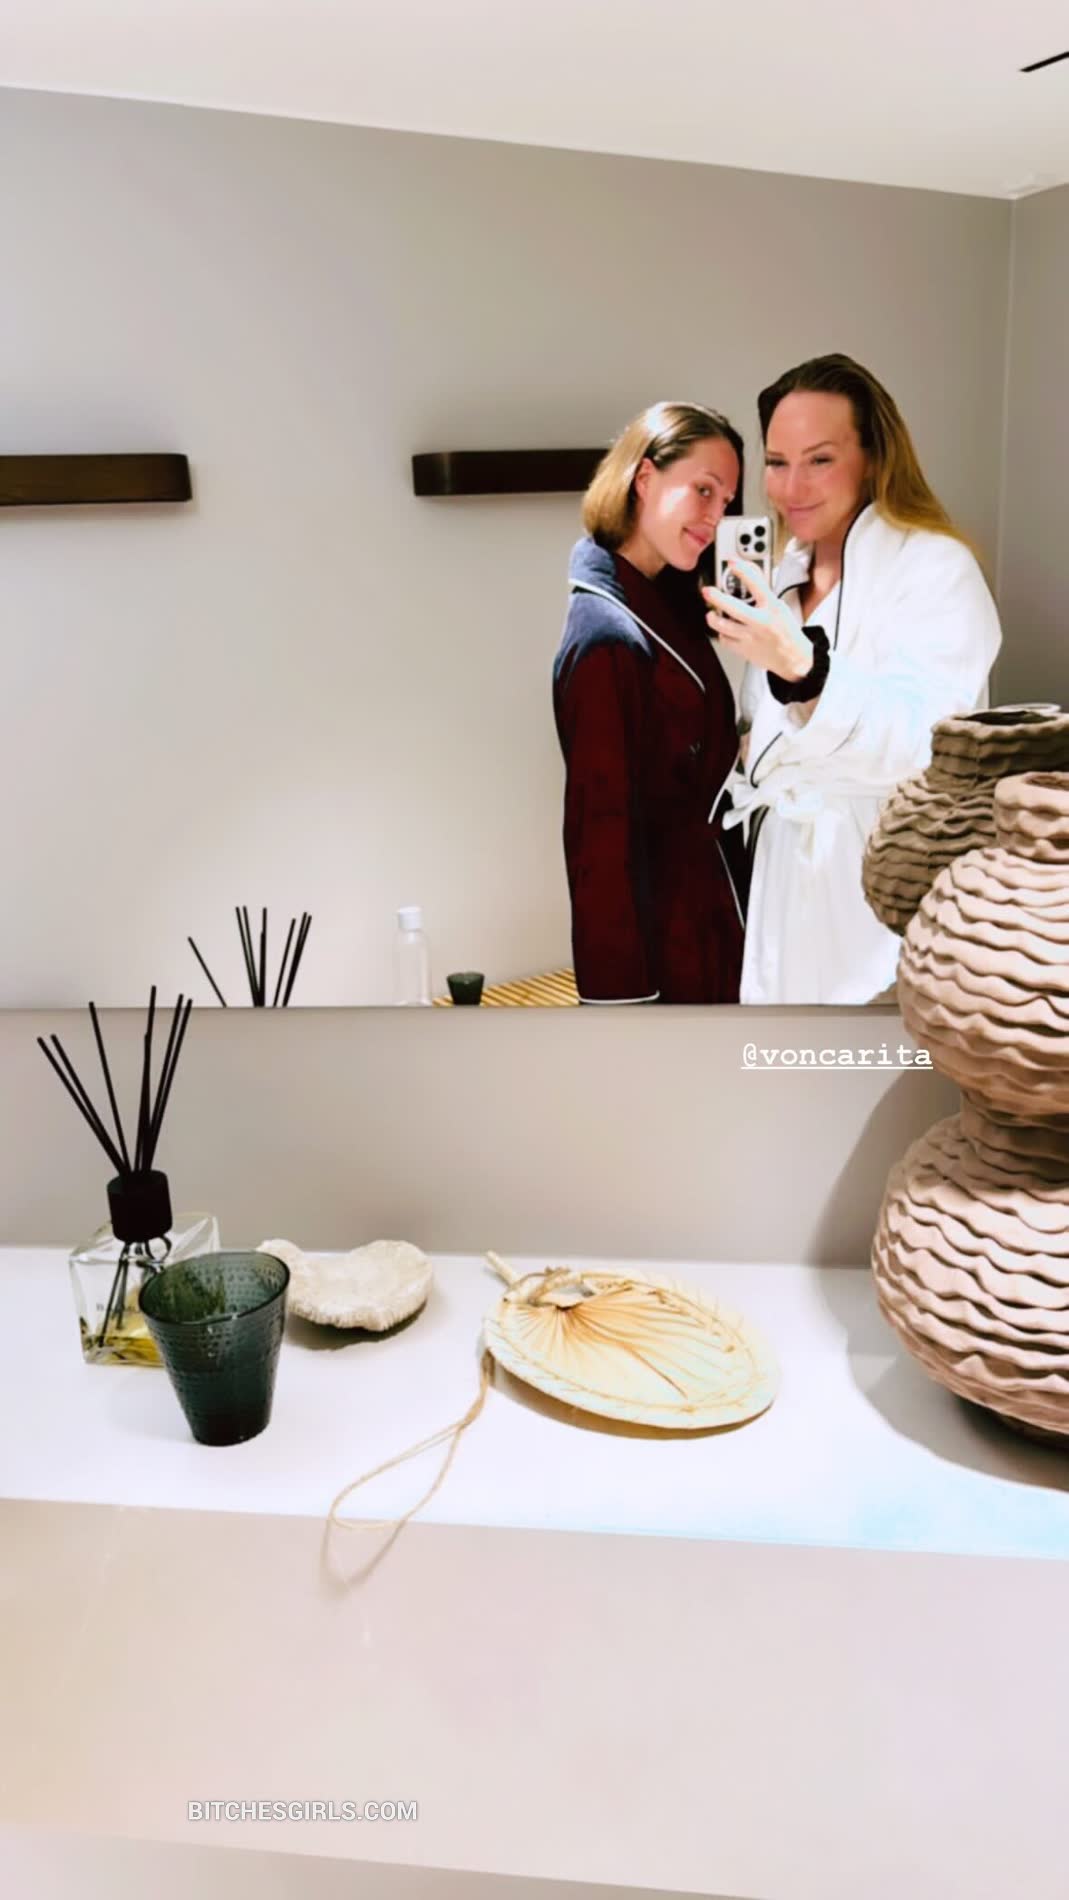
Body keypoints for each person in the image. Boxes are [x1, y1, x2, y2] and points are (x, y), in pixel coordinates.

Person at [702, 352, 1002, 1005]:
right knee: (778, 1061)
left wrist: (806, 671)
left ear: (872, 458)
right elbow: (769, 735)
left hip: (884, 892)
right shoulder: (782, 574)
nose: (791, 486)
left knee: (869, 1063)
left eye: (819, 459)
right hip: (784, 885)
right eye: (776, 462)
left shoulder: (936, 568)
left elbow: (931, 743)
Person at [552, 402, 748, 1004]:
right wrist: (621, 1006)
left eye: (726, 501)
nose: (715, 516)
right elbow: (599, 844)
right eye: (703, 490)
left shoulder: (667, 601)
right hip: (667, 956)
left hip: (709, 924)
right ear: (644, 477)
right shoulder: (607, 638)